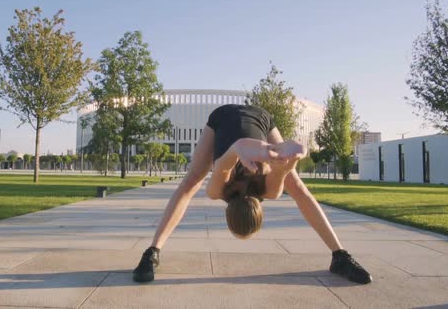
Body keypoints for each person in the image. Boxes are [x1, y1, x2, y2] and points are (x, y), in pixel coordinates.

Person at [133, 104, 372, 284]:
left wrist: (239, 149)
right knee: (294, 184)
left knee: (192, 181)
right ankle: (339, 256)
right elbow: (278, 170)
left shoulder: (232, 190)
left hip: (223, 118)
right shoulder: (243, 191)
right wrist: (287, 160)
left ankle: (152, 252)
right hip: (260, 120)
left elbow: (224, 166)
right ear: (228, 214)